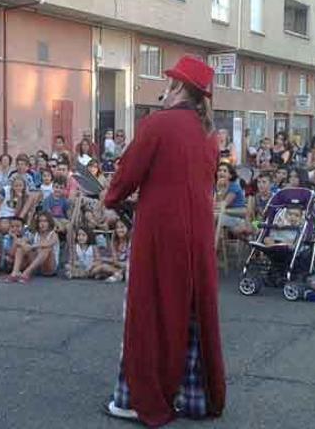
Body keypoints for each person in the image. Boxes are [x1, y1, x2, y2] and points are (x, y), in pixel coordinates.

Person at [102, 55, 224, 424]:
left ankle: (135, 399)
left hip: (160, 232)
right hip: (198, 231)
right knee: (192, 308)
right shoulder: (209, 135)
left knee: (149, 310)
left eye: (170, 82)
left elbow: (127, 174)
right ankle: (196, 397)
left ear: (177, 87)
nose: (165, 88)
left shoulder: (157, 124)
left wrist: (112, 199)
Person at [5, 211, 59, 283]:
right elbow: (23, 241)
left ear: (49, 223)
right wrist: (18, 240)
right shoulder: (36, 234)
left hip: (49, 268)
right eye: (40, 221)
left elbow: (49, 243)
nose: (42, 224)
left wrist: (32, 246)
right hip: (38, 266)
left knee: (46, 248)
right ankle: (15, 273)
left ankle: (26, 273)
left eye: (45, 221)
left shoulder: (53, 234)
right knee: (21, 248)